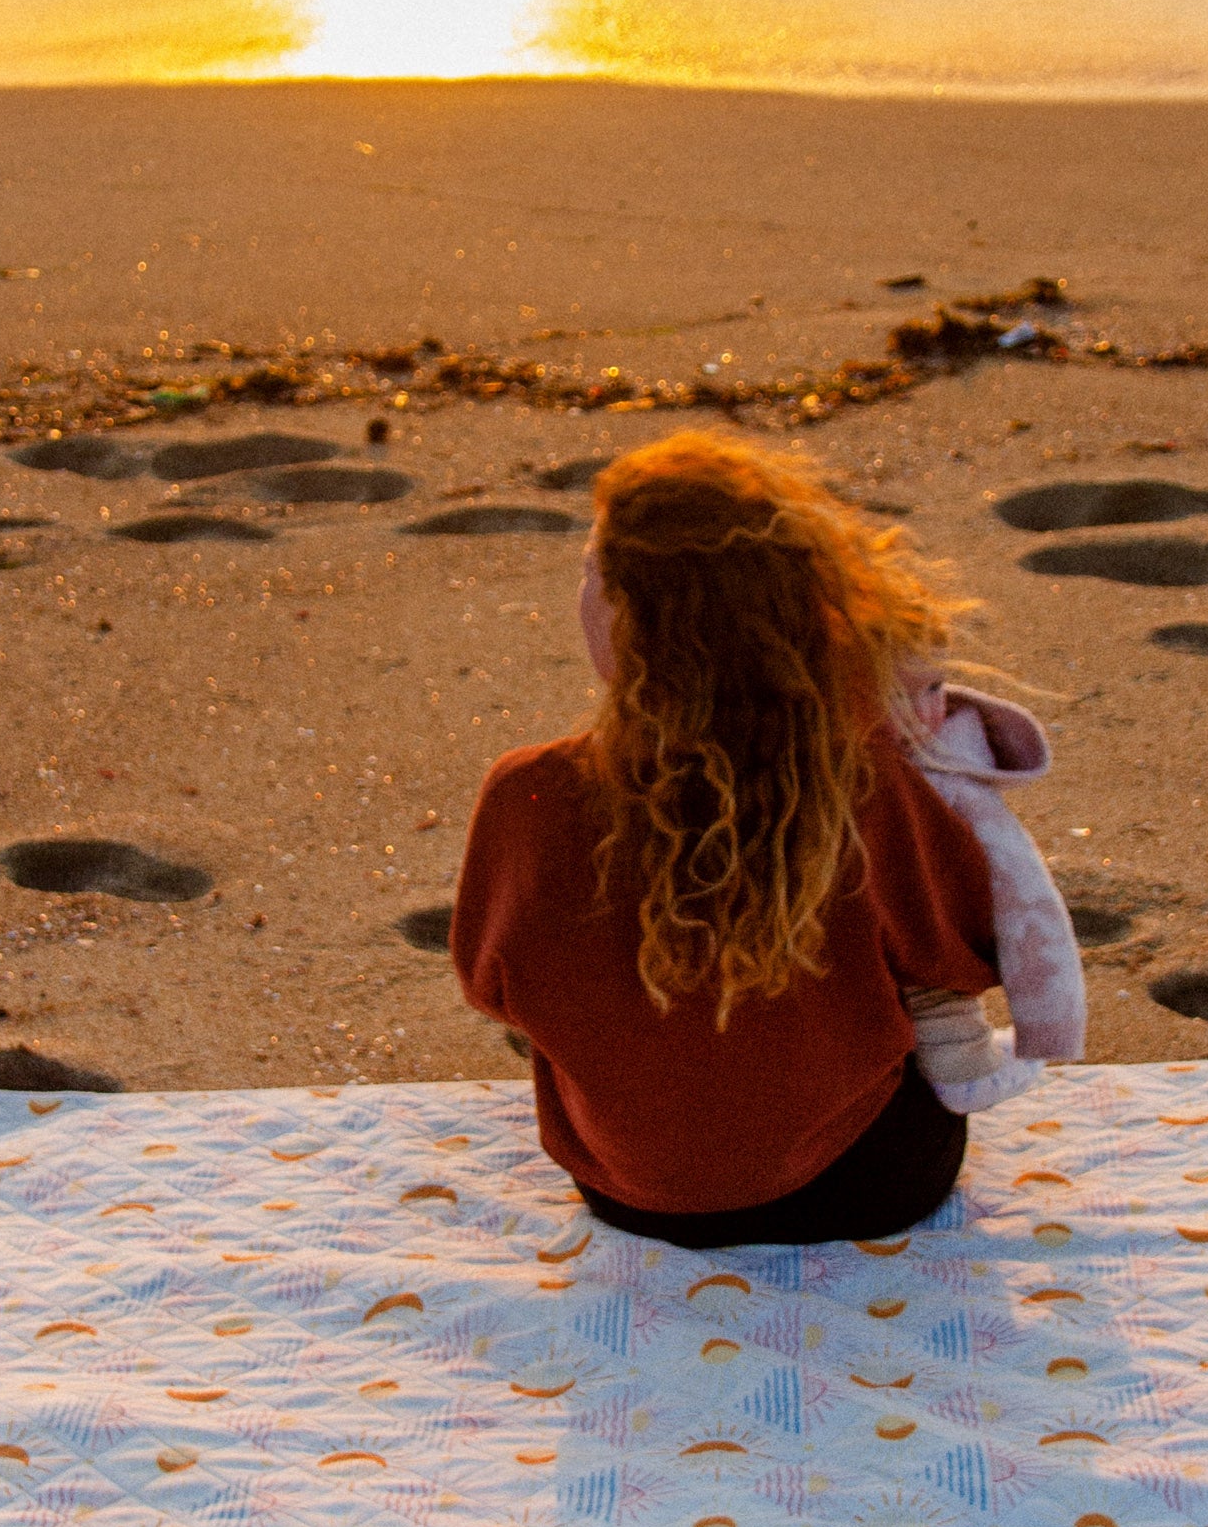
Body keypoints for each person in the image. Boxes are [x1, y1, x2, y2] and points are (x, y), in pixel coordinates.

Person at [450, 430, 1084, 1249]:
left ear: (635, 626)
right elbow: (959, 955)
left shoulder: (526, 795)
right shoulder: (861, 782)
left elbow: (493, 986)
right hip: (871, 1183)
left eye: (593, 576)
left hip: (628, 1193)